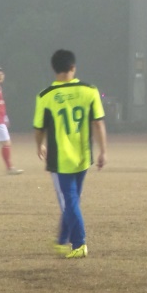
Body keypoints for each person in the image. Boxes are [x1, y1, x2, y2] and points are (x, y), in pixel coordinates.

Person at [33, 50, 106, 259]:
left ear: (54, 68)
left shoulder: (45, 95)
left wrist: (39, 145)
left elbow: (39, 128)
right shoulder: (89, 90)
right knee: (72, 201)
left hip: (60, 158)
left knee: (70, 201)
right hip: (83, 156)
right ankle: (62, 239)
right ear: (73, 67)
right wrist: (103, 151)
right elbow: (98, 123)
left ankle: (79, 243)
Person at [0, 67, 26, 174]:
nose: (1, 76)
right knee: (6, 142)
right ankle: (10, 168)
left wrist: (5, 117)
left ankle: (10, 168)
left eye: (2, 74)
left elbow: (0, 104)